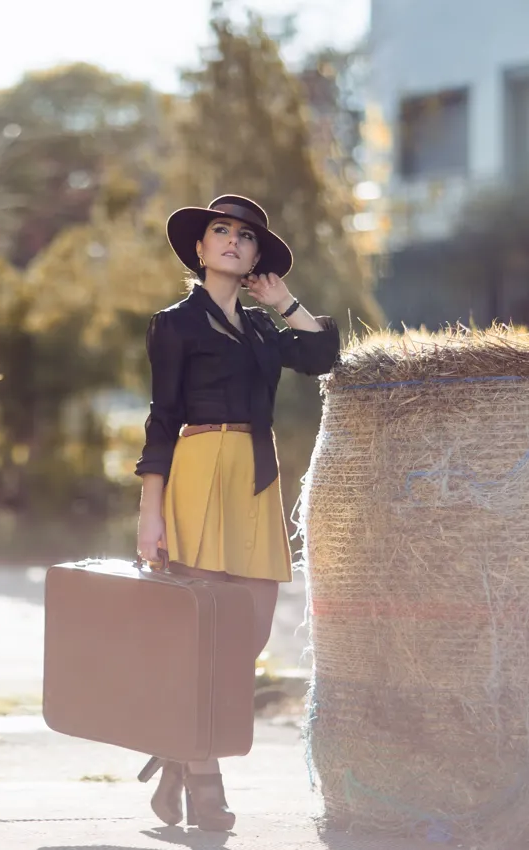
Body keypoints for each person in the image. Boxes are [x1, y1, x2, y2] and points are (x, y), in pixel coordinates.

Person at [133, 194, 341, 831]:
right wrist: (150, 510)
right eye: (219, 232)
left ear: (255, 258)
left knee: (245, 636)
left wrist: (283, 302)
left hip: (254, 477)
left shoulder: (259, 330)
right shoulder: (174, 324)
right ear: (199, 249)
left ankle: (174, 749)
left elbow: (323, 355)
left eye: (244, 237)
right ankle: (204, 779)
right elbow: (161, 418)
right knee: (202, 638)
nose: (231, 241)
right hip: (195, 472)